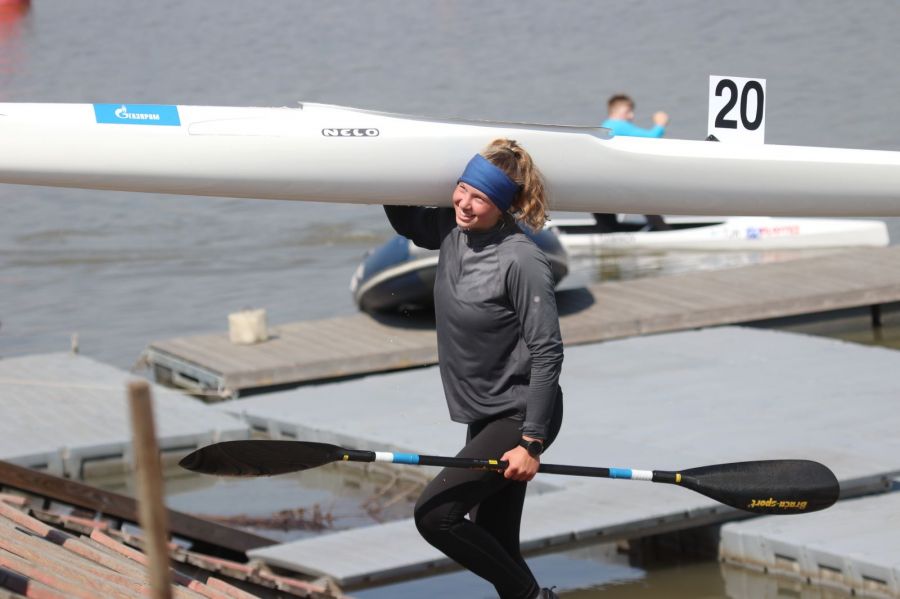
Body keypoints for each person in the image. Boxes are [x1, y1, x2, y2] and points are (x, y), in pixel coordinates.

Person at [384, 139, 564, 599]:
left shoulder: (522, 260)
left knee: (436, 515)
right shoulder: (451, 227)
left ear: (501, 204)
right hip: (486, 412)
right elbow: (405, 218)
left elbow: (548, 352)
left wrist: (531, 443)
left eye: (479, 197)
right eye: (461, 189)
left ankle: (534, 598)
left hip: (520, 416)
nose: (464, 203)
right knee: (499, 546)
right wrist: (379, 162)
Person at [596, 94, 672, 231]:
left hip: (602, 182)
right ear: (614, 112)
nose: (631, 116)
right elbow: (651, 138)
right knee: (643, 196)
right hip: (615, 181)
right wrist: (660, 123)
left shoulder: (605, 126)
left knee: (608, 227)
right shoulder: (617, 125)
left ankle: (608, 232)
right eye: (627, 112)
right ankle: (663, 230)